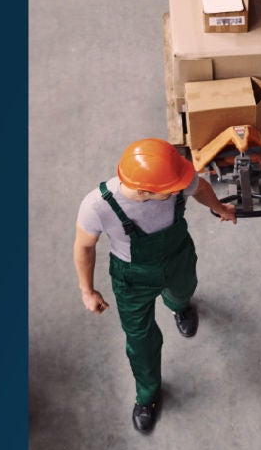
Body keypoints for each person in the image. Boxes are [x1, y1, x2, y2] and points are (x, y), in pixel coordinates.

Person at [74, 138, 237, 433]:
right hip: (132, 278)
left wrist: (219, 208)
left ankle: (179, 306)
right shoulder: (98, 206)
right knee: (140, 339)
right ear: (144, 191)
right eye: (172, 190)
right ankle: (147, 395)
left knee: (184, 290)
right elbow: (84, 247)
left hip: (178, 258)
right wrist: (87, 290)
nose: (180, 190)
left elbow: (199, 187)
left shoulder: (174, 181)